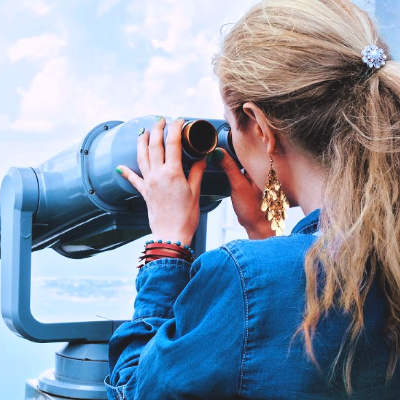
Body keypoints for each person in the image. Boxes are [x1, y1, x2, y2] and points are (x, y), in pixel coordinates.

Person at [106, 0, 400, 398]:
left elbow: (136, 390)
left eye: (231, 129)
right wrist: (267, 236)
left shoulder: (241, 278)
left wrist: (168, 246)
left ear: (261, 127)